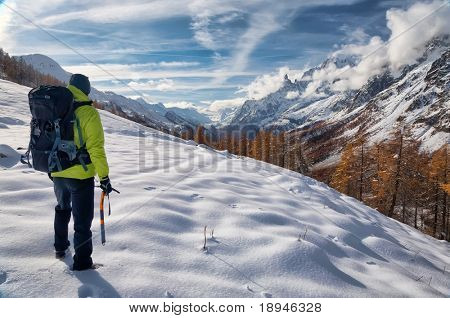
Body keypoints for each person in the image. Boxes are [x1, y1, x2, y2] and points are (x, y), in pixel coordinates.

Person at [50, 74, 113, 271]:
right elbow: (96, 148)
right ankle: (83, 263)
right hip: (80, 175)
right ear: (86, 89)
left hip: (57, 170)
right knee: (82, 221)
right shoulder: (88, 112)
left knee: (62, 208)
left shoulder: (55, 106)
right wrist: (104, 177)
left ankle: (60, 248)